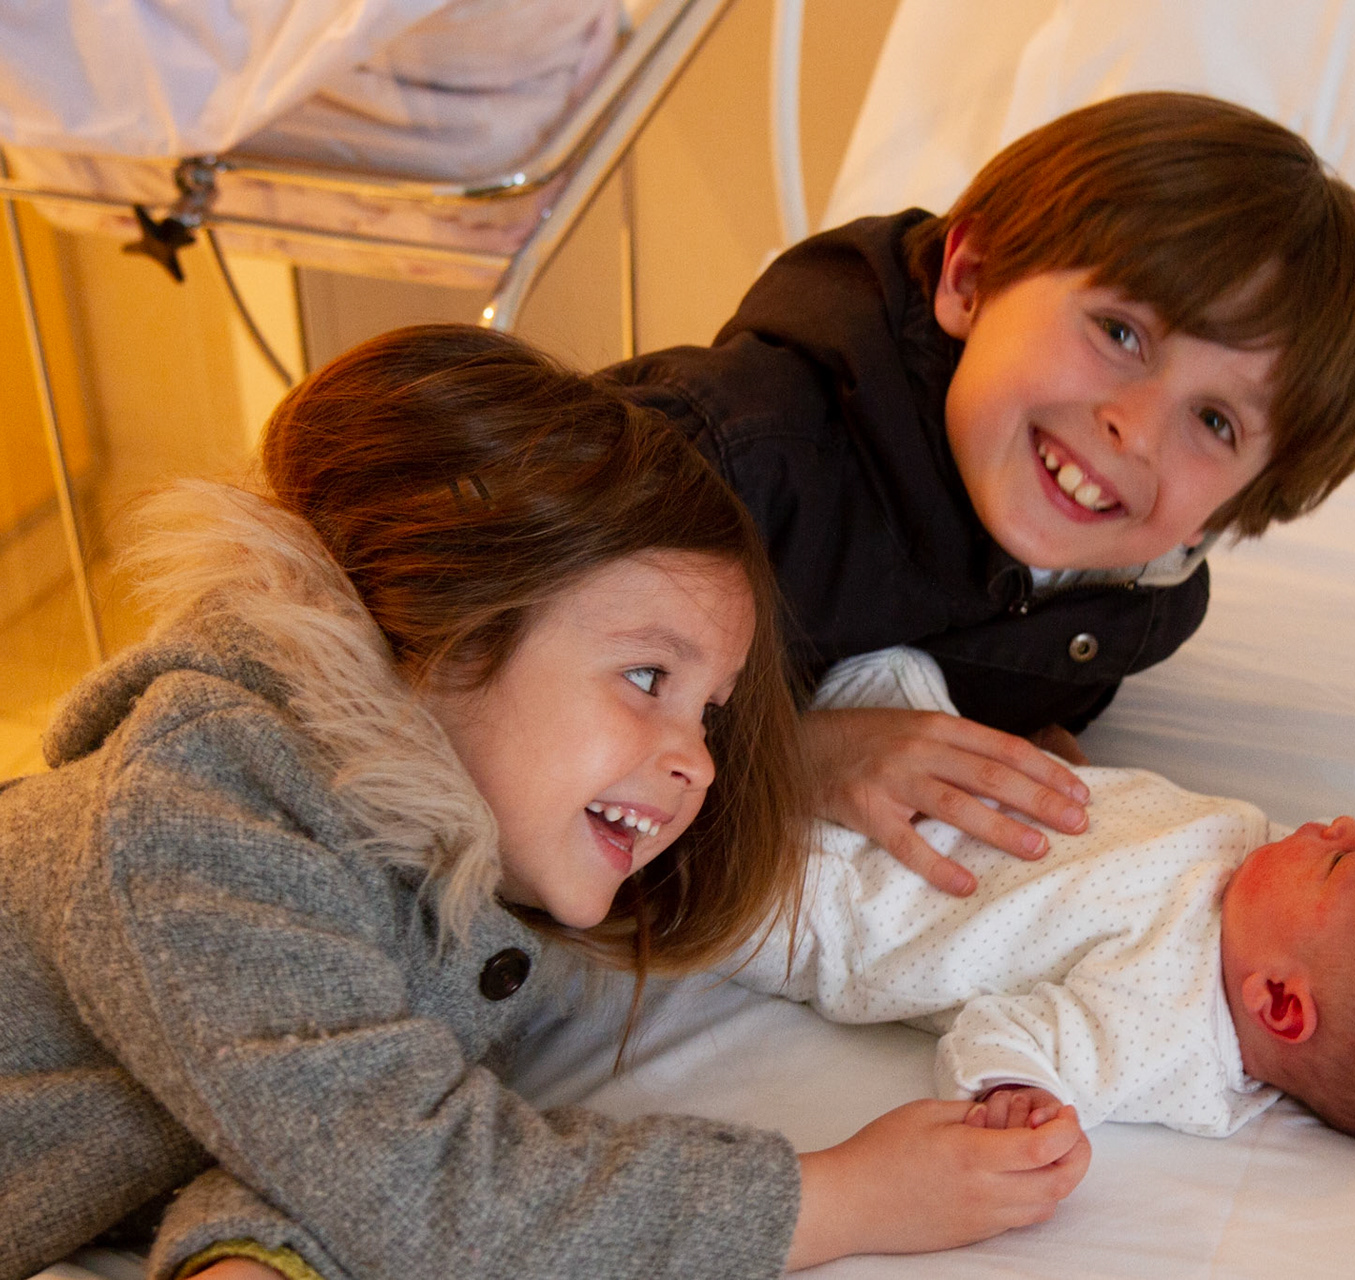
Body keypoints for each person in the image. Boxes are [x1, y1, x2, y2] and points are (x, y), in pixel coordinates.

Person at [0, 327, 1089, 1280]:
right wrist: (844, 1197)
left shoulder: (445, 897)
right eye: (647, 678)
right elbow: (419, 1186)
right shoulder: (205, 802)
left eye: (709, 715)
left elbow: (310, 1132)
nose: (699, 763)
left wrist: (255, 1254)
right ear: (452, 627)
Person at [604, 91, 1355, 896]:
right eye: (1120, 332)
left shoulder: (1128, 610)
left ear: (1228, 512)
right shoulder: (724, 458)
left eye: (1215, 421)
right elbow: (535, 685)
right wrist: (799, 760)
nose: (1135, 431)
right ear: (972, 277)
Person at [729, 648, 1355, 1147]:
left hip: (859, 902)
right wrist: (1085, 779)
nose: (1342, 825)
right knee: (891, 663)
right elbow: (1136, 836)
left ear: (1281, 1003)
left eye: (1339, 864)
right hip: (942, 783)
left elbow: (1008, 1034)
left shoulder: (1163, 1028)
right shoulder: (1258, 879)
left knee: (720, 888)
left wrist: (1019, 1094)